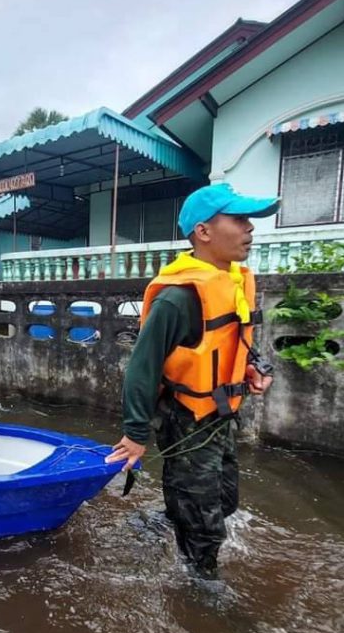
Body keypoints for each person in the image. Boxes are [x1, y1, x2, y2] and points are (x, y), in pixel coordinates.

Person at [106, 183, 277, 578]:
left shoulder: (232, 281)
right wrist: (134, 434)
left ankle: (165, 519)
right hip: (186, 420)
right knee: (203, 529)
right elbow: (142, 367)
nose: (250, 229)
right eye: (239, 220)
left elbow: (232, 342)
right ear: (203, 232)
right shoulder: (178, 297)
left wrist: (252, 369)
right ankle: (204, 593)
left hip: (220, 416)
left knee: (225, 499)